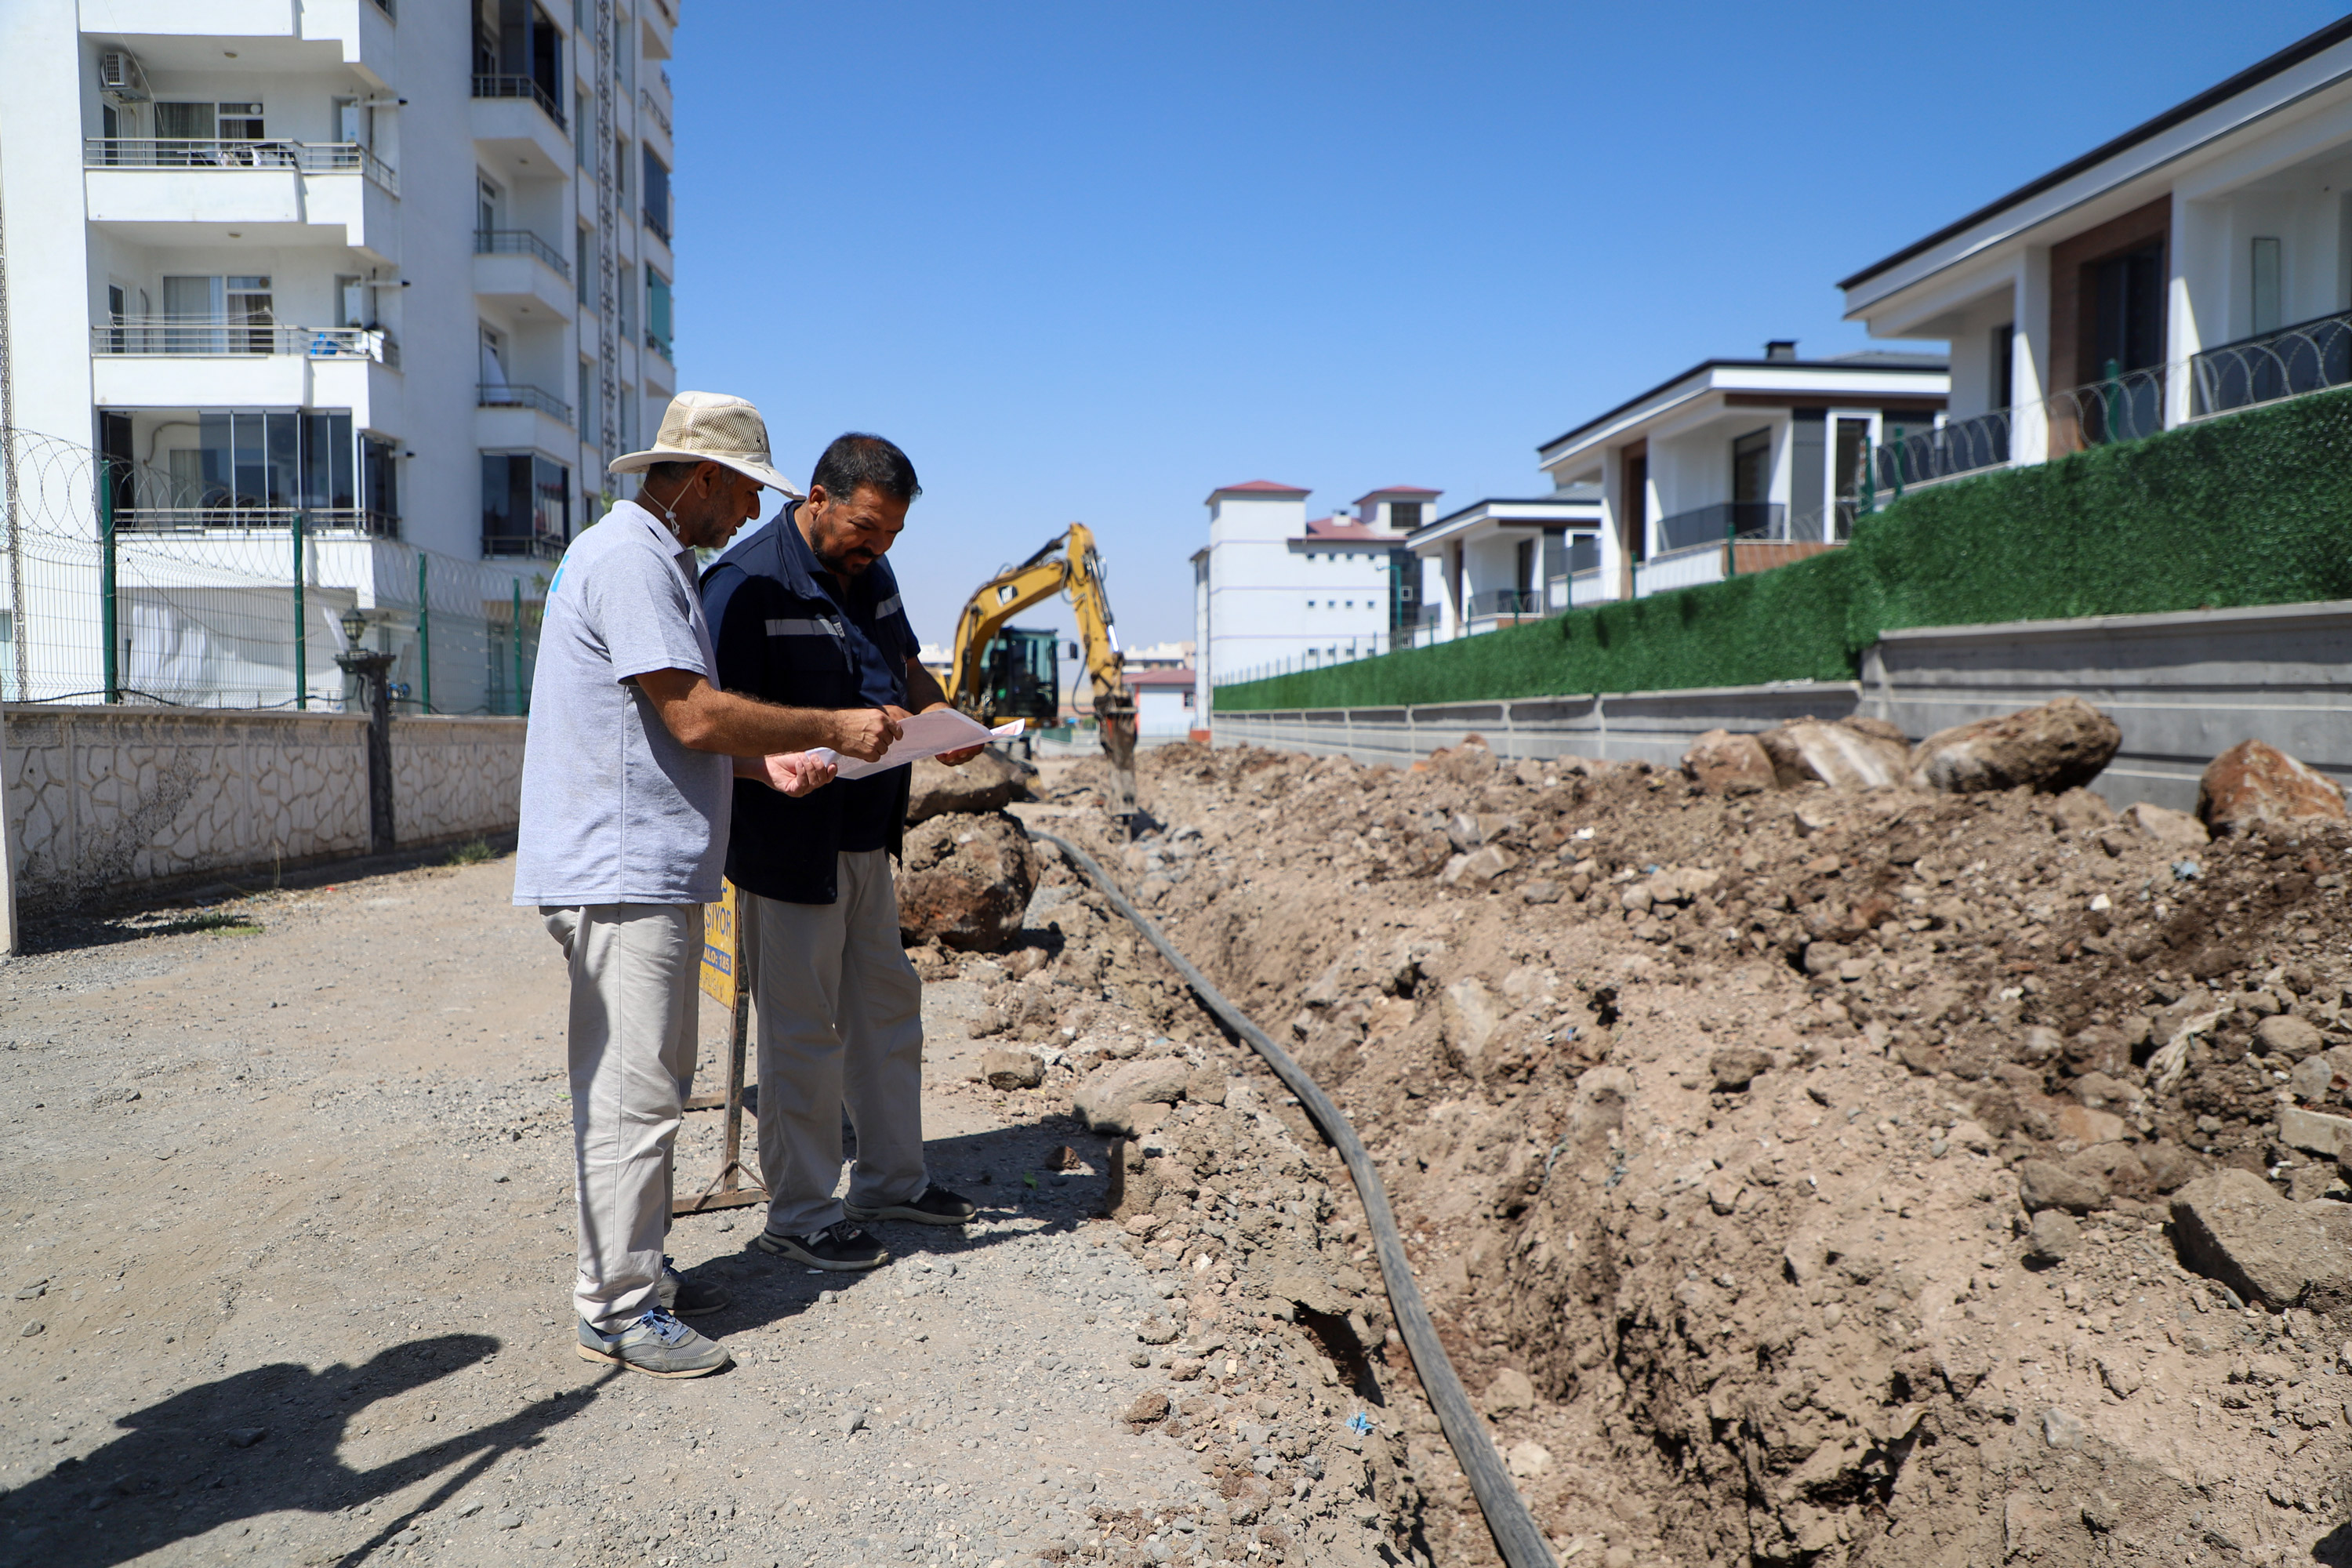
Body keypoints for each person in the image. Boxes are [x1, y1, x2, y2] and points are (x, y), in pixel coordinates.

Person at [514, 392, 901, 1378]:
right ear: (700, 480)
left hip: (641, 867)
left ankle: (635, 1272)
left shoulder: (645, 557)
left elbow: (666, 728)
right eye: (738, 496)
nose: (742, 519)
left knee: (643, 1085)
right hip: (621, 870)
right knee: (636, 1094)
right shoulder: (635, 560)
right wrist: (823, 728)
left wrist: (757, 763)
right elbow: (690, 714)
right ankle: (616, 1307)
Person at [701, 433, 980, 1272]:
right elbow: (706, 718)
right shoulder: (745, 583)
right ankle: (801, 1210)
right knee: (801, 1034)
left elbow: (905, 665)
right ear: (817, 497)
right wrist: (780, 757)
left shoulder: (874, 574)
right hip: (788, 847)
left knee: (888, 1012)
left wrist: (948, 720)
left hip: (866, 837)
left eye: (891, 533)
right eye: (865, 526)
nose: (877, 546)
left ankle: (891, 1179)